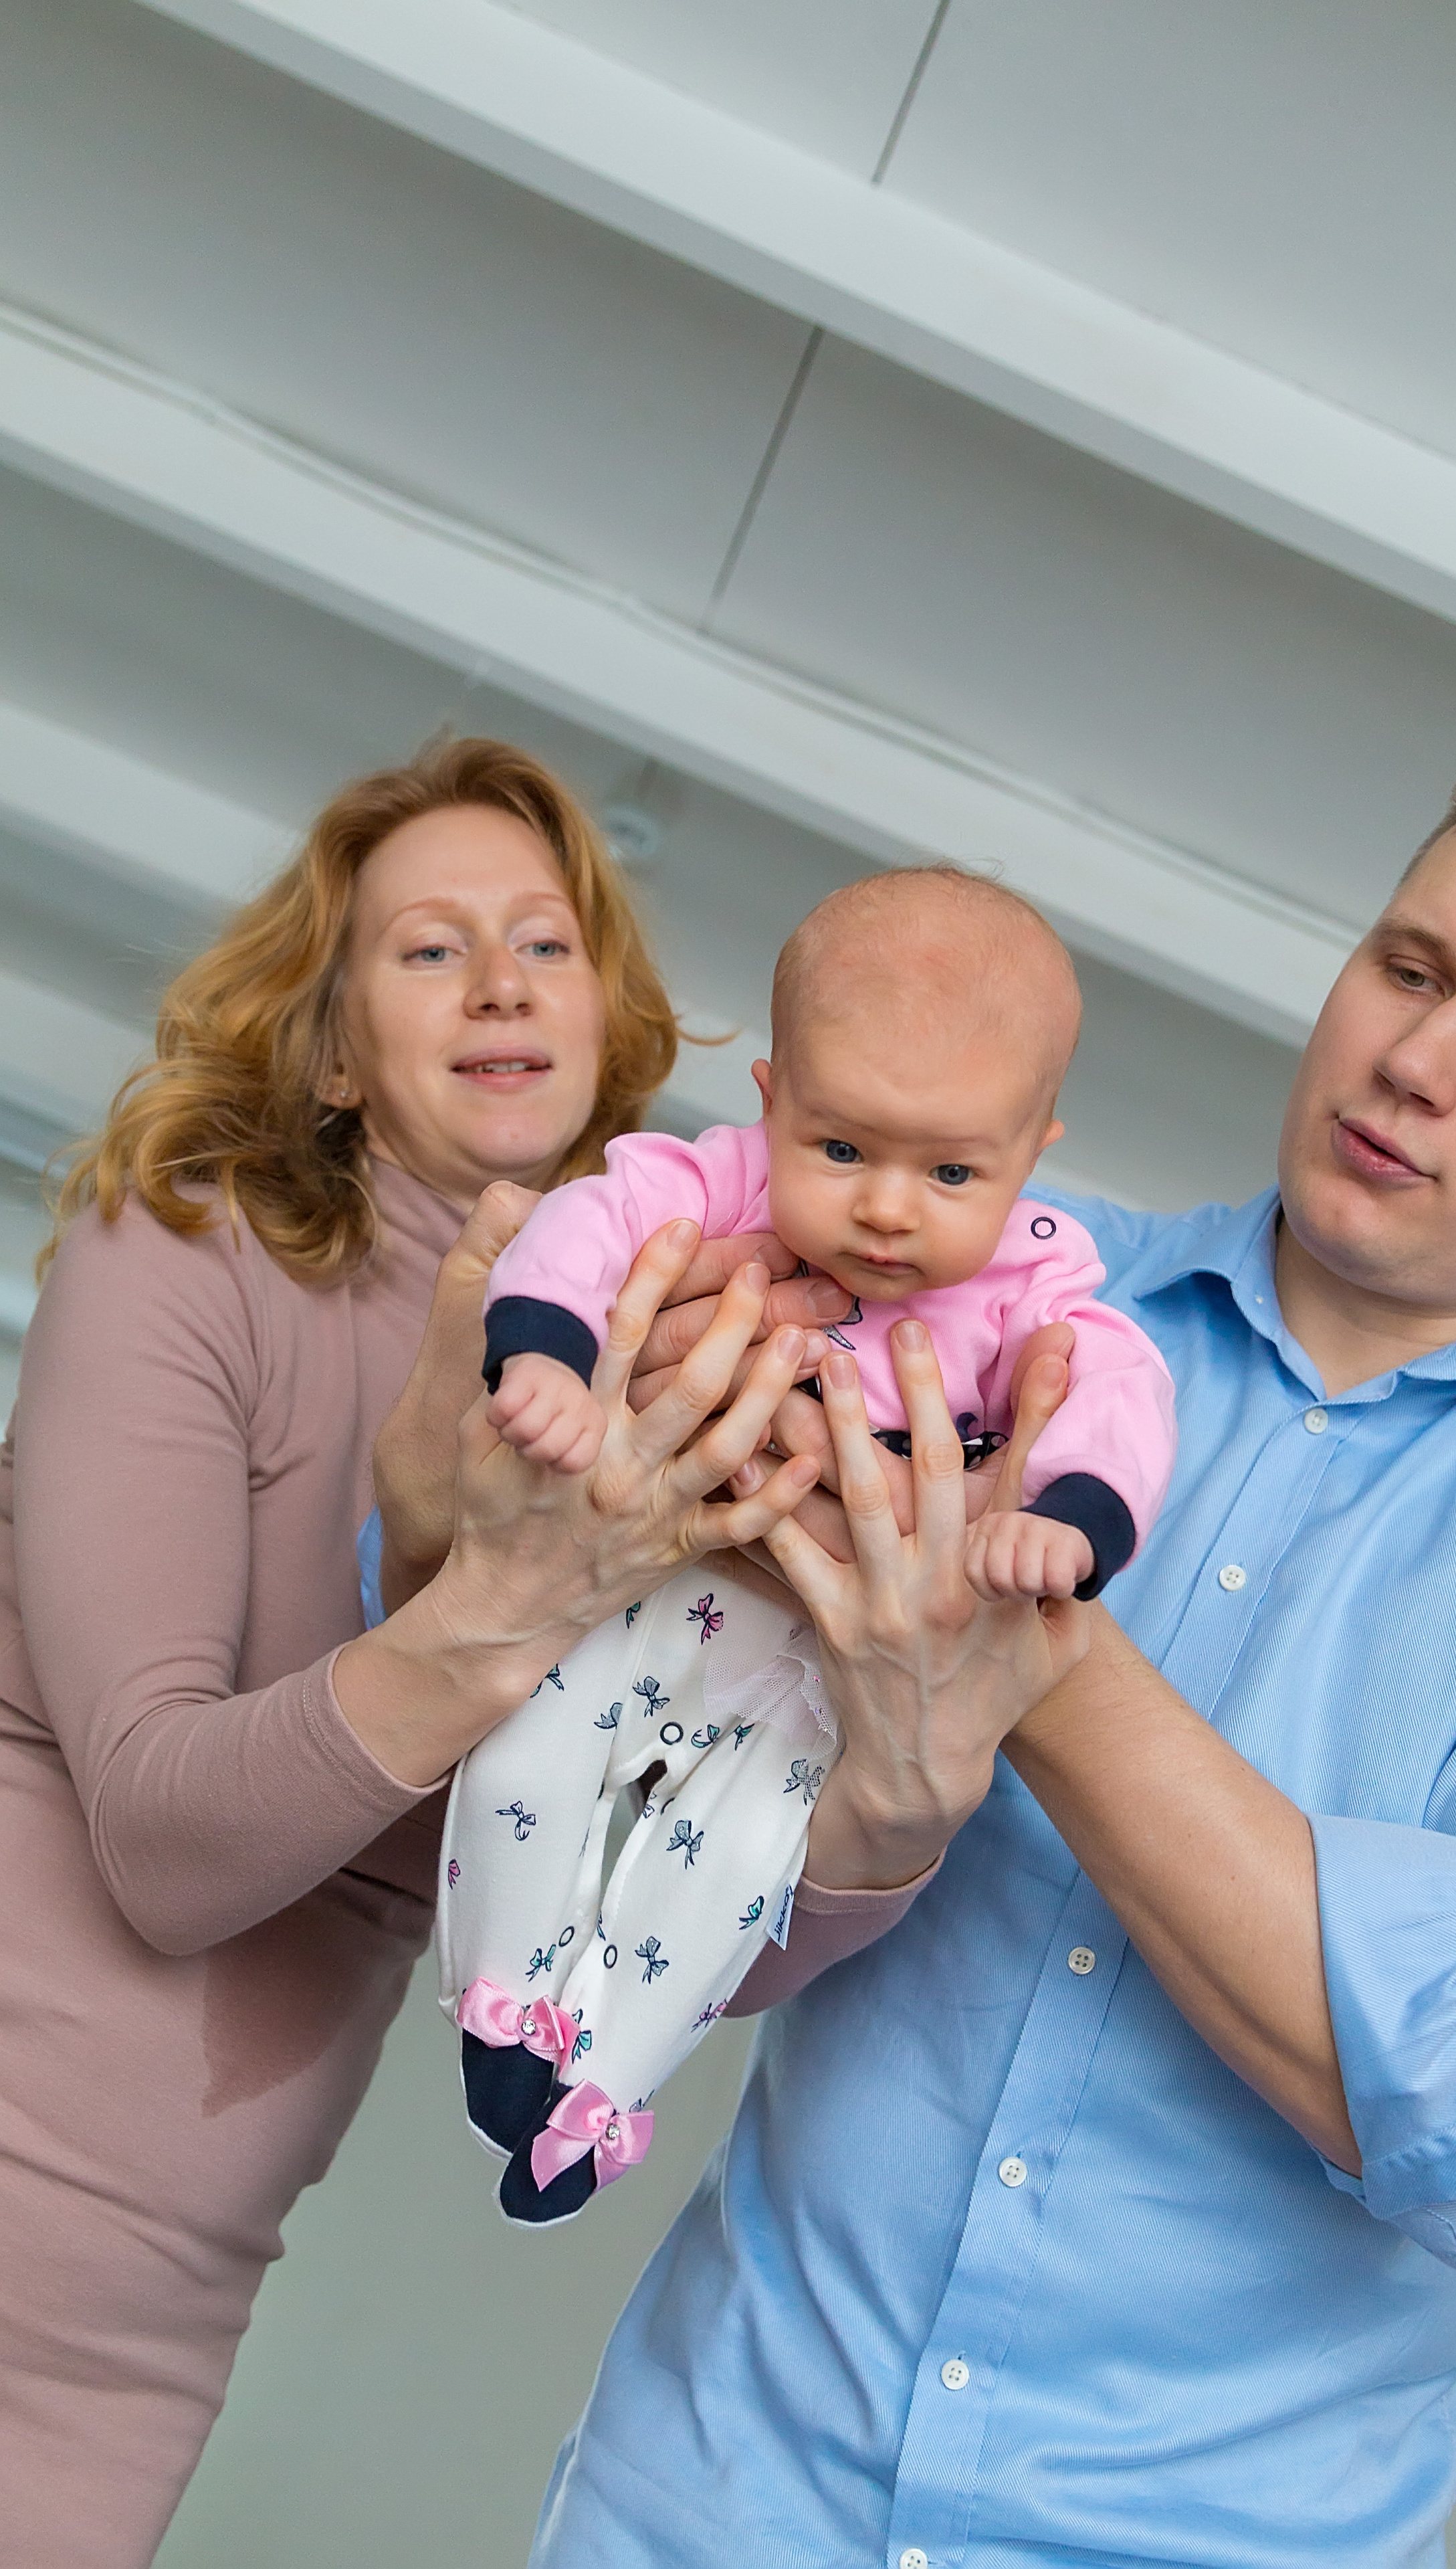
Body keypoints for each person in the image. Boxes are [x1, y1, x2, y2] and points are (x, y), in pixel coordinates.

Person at [520, 740, 1456, 2569]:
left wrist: (1033, 1645)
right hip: (710, 2503)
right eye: (1410, 968)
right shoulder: (947, 1302)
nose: (1419, 1058)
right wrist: (585, 1433)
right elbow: (590, 1782)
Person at [0, 736, 831, 2569]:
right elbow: (161, 1843)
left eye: (544, 942)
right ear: (336, 1045)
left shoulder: (664, 1387)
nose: (500, 982)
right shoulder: (195, 1260)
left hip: (145, 2327)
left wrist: (908, 1757)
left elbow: (709, 1912)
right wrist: (508, 1604)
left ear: (607, 1019)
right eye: (429, 949)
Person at [442, 871, 1176, 2226]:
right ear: (772, 1101)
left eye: (951, 1171)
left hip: (813, 1677)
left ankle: (602, 2089)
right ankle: (502, 2007)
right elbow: (591, 1218)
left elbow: (1116, 1389)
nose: (890, 1210)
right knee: (530, 1759)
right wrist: (545, 1345)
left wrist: (1067, 1520)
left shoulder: (1033, 1279)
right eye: (841, 1151)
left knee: (720, 1865)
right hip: (655, 1599)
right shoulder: (720, 1184)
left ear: (1030, 1154)